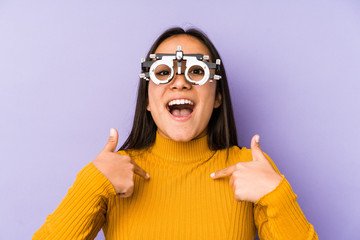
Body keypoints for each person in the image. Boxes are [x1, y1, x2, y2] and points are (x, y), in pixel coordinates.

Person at [33, 27, 318, 239]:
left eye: (196, 71)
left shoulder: (249, 171)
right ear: (147, 98)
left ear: (217, 96)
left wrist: (277, 195)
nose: (179, 82)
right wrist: (92, 184)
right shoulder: (113, 175)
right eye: (163, 72)